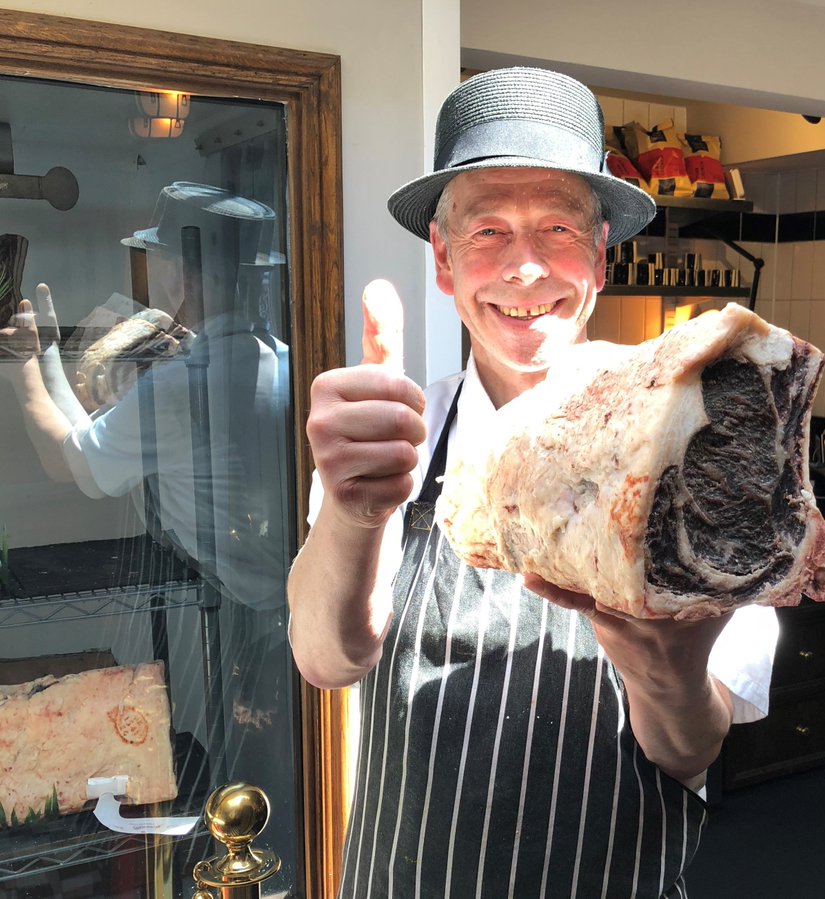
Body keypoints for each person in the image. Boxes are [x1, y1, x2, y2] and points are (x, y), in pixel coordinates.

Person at [288, 67, 778, 898]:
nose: (523, 268)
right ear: (443, 261)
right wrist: (352, 512)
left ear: (600, 256)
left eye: (556, 227)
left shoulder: (702, 453)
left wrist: (669, 672)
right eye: (487, 231)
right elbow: (329, 661)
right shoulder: (392, 439)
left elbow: (692, 746)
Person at [0, 182, 297, 884]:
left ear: (186, 276)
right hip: (278, 618)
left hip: (227, 618)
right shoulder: (283, 360)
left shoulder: (182, 385)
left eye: (162, 262)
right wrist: (47, 359)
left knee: (221, 798)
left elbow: (70, 460)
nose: (155, 277)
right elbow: (93, 443)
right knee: (269, 797)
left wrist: (23, 362)